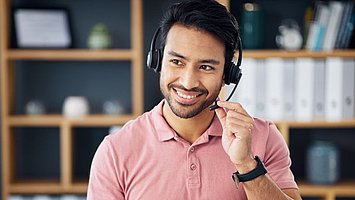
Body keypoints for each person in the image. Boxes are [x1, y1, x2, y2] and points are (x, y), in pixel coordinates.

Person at [87, 0, 302, 199]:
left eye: (206, 67)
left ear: (228, 74)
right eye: (177, 62)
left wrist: (246, 165)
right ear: (158, 61)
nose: (188, 82)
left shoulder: (264, 138)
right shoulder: (116, 150)